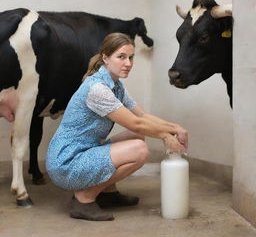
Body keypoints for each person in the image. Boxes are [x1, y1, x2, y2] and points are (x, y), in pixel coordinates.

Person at [46, 32, 188, 221]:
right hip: (66, 162)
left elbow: (142, 116)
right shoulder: (97, 89)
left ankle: (108, 193)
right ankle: (84, 199)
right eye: (121, 57)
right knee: (140, 150)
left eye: (130, 57)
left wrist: (174, 128)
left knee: (136, 137)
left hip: (85, 151)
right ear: (105, 58)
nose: (128, 63)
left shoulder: (116, 85)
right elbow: (137, 123)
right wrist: (164, 135)